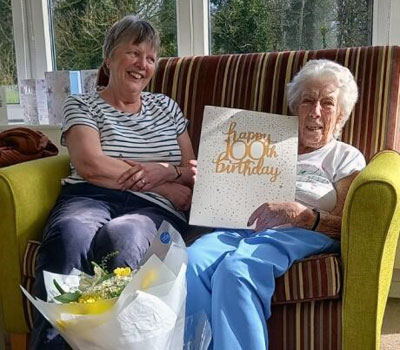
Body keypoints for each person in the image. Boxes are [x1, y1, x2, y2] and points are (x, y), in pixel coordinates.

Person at [31, 15, 196, 349]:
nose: (142, 64)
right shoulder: (82, 103)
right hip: (89, 197)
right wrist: (160, 183)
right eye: (134, 53)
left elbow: (190, 170)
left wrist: (168, 172)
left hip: (153, 212)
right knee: (70, 234)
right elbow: (91, 164)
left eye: (150, 58)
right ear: (109, 57)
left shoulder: (168, 108)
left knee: (123, 235)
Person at [185, 59, 366, 350]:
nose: (315, 112)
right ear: (296, 107)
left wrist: (302, 215)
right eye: (308, 100)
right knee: (191, 262)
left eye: (327, 103)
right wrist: (211, 180)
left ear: (341, 113)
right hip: (241, 227)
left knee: (237, 270)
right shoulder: (265, 143)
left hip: (299, 231)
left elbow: (345, 222)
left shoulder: (344, 157)